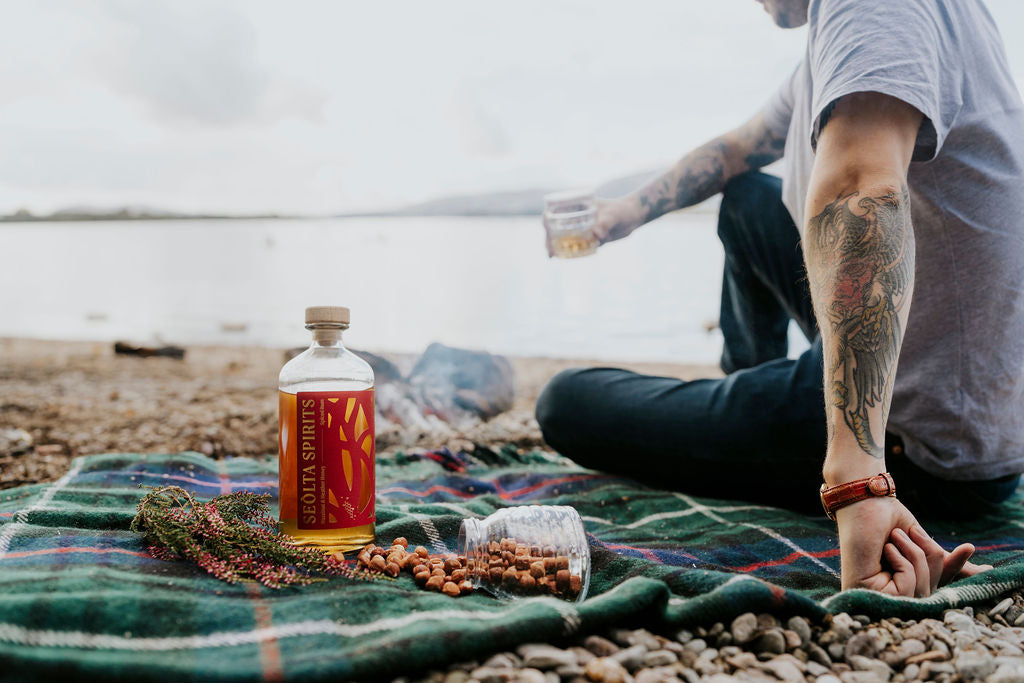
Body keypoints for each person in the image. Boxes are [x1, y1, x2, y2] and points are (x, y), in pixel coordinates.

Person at [536, 0, 1024, 597]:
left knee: (566, 402)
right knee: (745, 198)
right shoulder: (879, 31)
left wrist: (859, 481)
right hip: (948, 375)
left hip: (923, 434)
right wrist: (626, 212)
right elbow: (739, 148)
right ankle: (756, 391)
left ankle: (779, 417)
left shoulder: (874, 7)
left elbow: (862, 189)